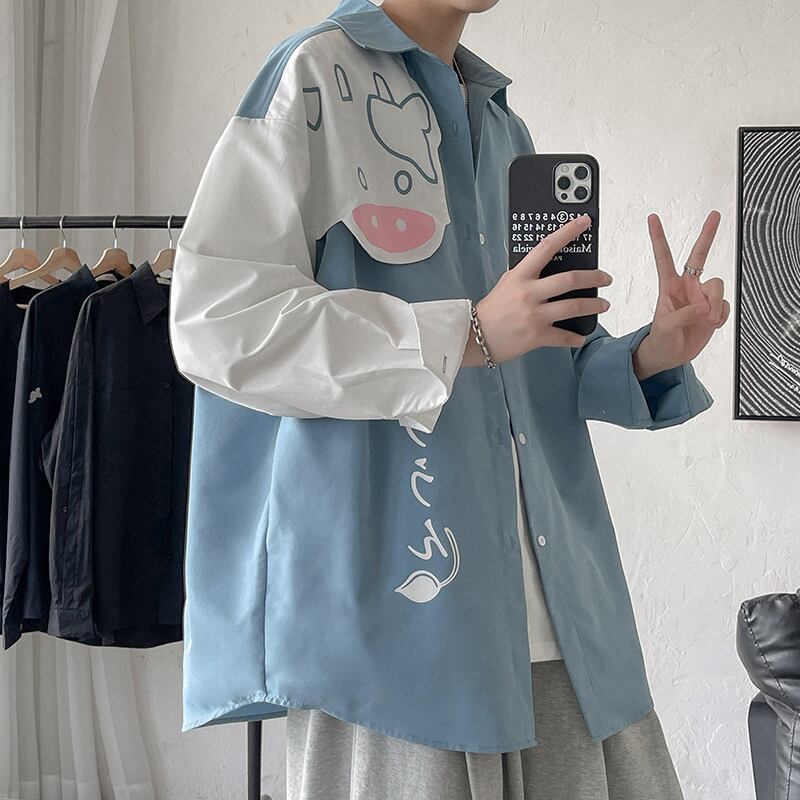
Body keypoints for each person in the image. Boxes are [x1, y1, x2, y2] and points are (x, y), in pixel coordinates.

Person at [168, 0, 729, 797]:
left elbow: (536, 364)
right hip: (400, 631)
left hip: (564, 621)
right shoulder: (314, 77)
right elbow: (218, 323)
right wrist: (462, 332)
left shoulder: (502, 125)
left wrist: (650, 354)